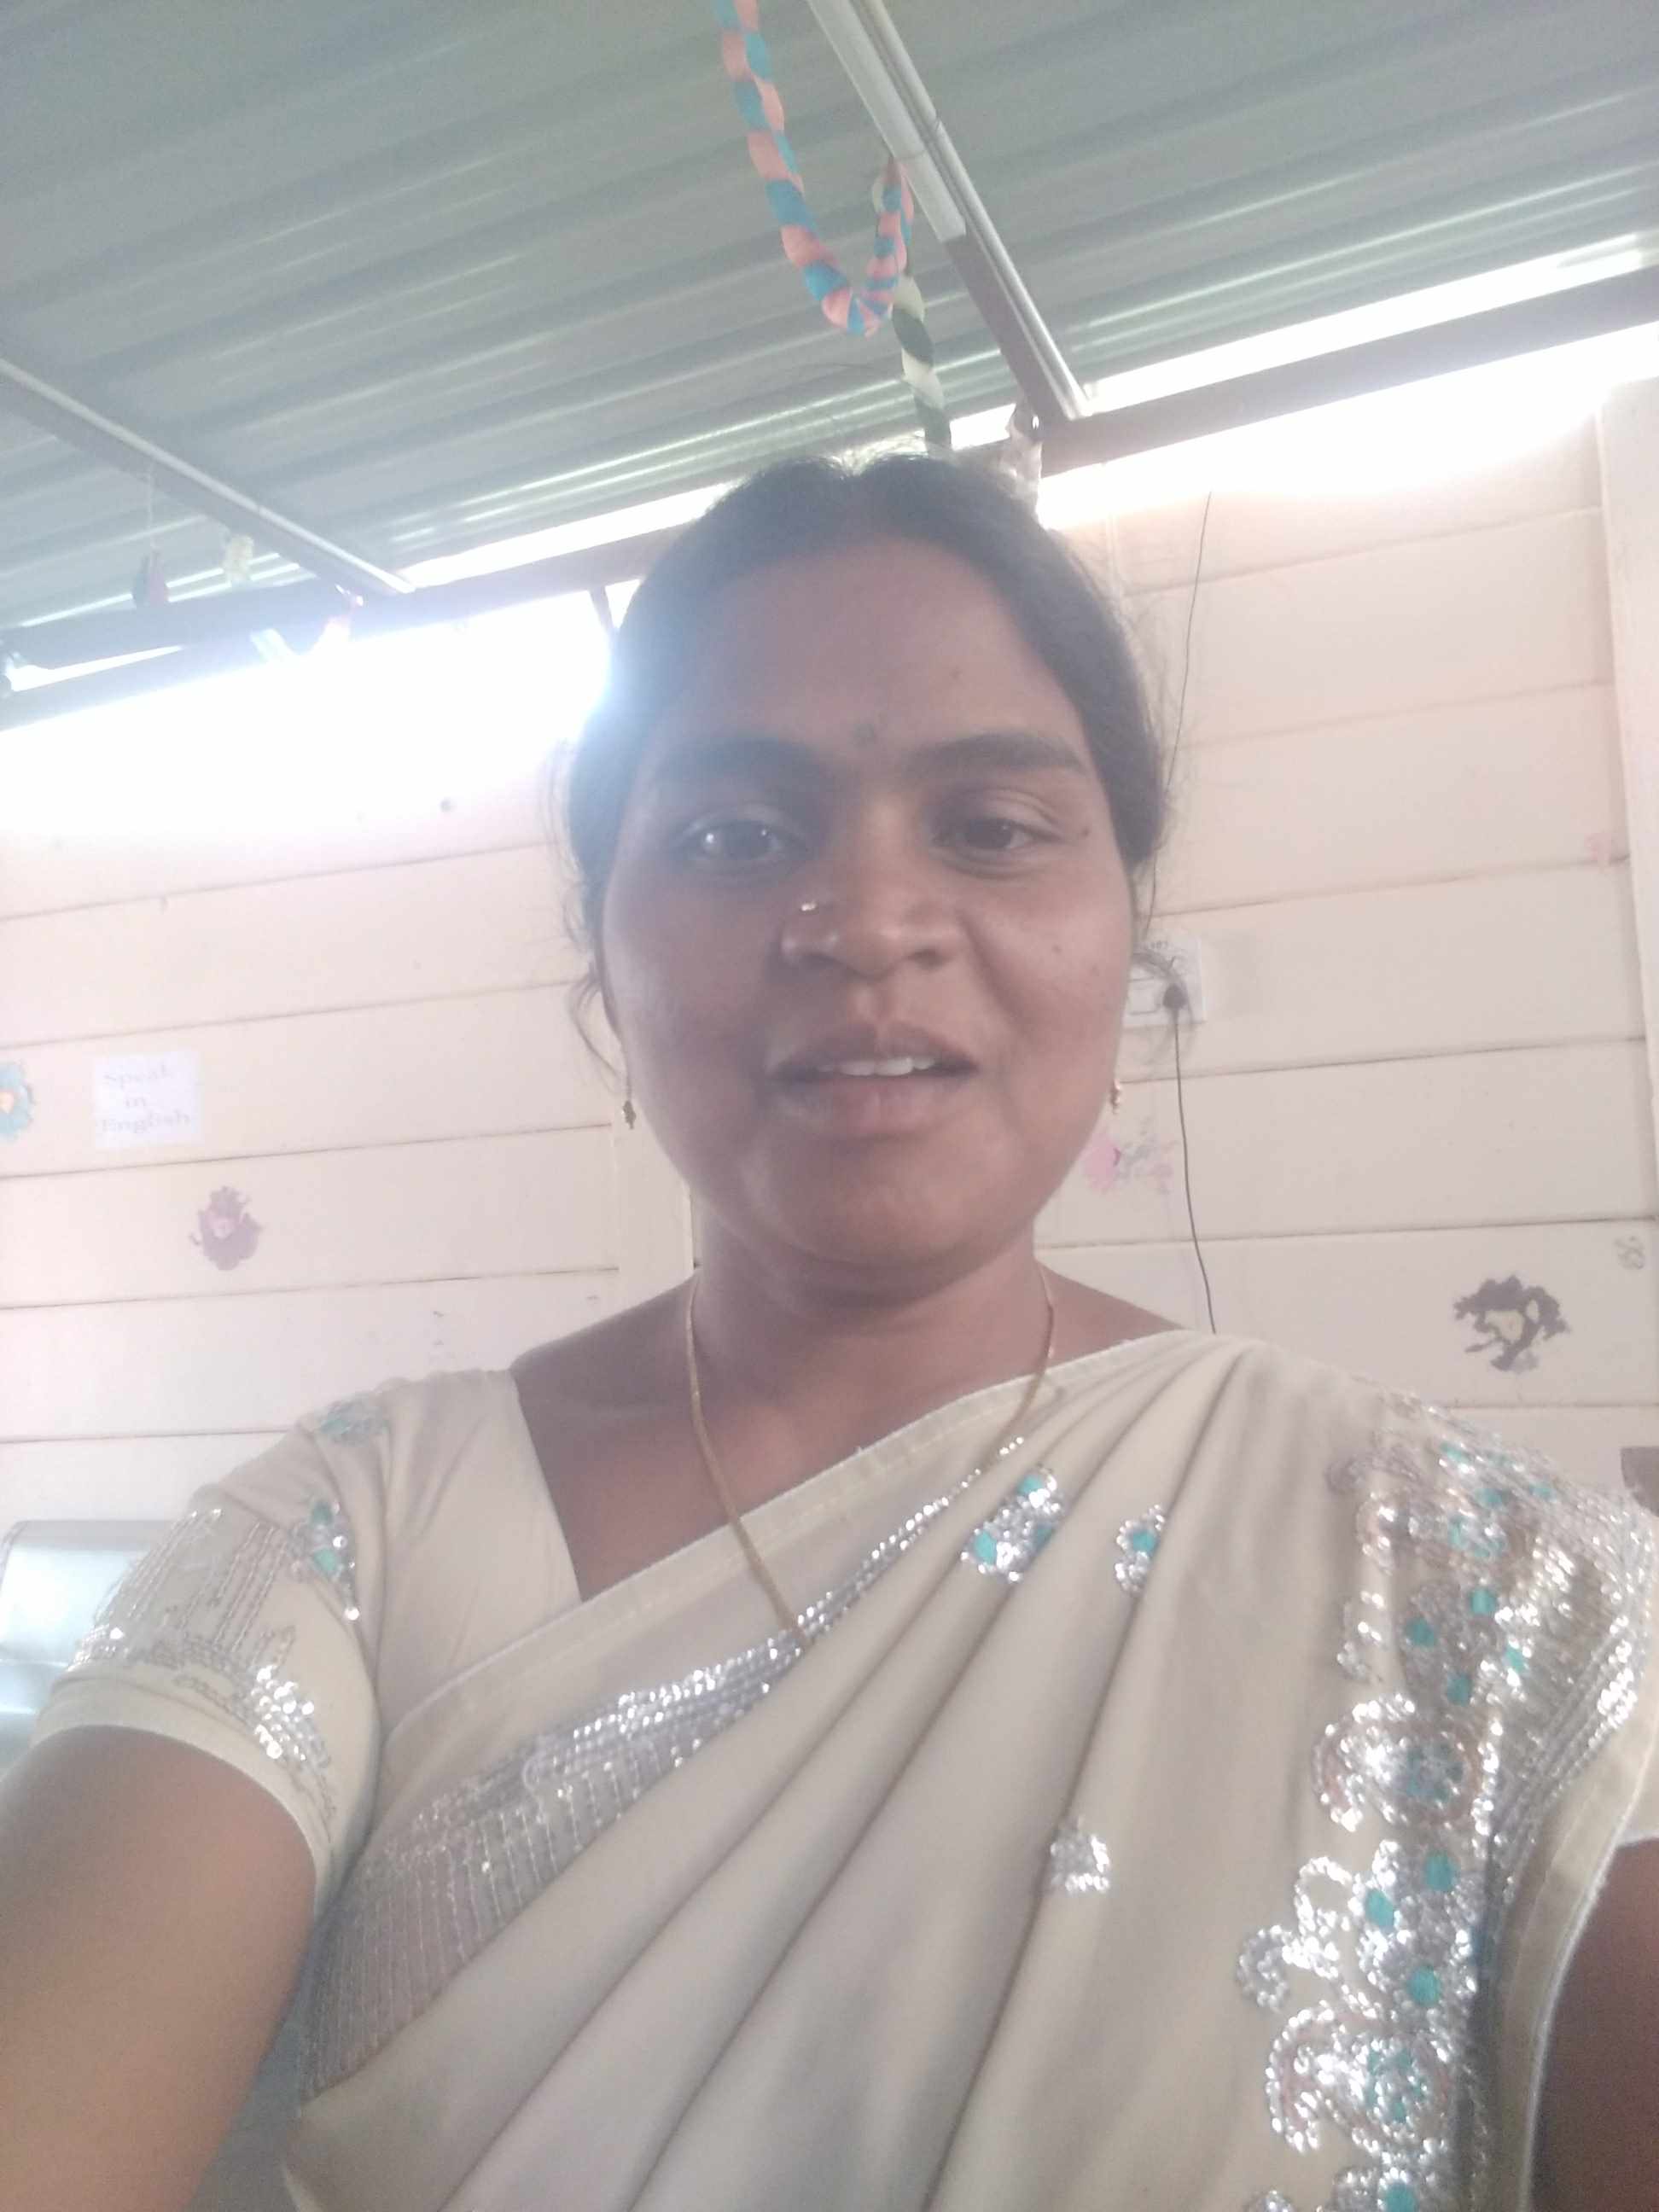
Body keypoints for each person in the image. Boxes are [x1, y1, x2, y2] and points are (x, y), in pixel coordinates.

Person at [1, 457, 1654, 2212]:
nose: (867, 925)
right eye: (734, 837)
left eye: (992, 827)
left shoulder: (1487, 1586)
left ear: (1124, 931)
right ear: (604, 954)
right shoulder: (346, 1545)